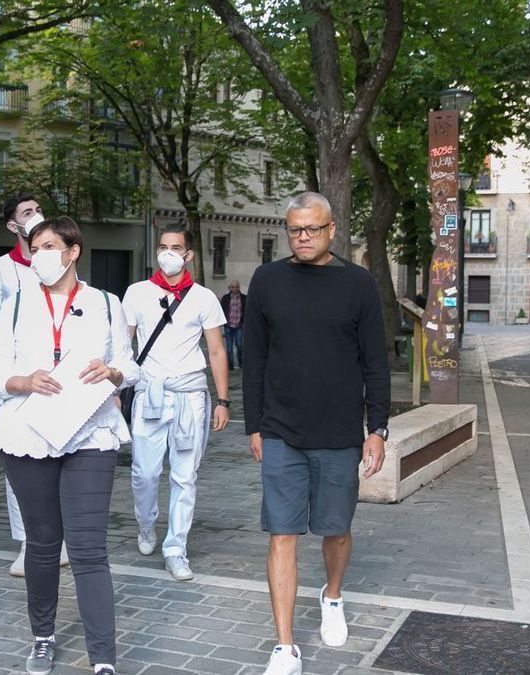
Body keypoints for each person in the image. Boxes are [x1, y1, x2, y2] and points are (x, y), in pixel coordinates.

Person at [0, 216, 138, 675]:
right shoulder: (14, 305)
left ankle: (104, 659)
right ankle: (43, 637)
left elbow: (130, 366)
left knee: (89, 550)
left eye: (50, 245)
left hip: (91, 434)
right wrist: (23, 380)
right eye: (35, 247)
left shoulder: (106, 303)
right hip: (29, 434)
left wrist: (113, 374)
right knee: (43, 544)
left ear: (73, 251)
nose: (40, 254)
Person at [242, 192, 389, 675]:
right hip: (282, 429)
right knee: (282, 533)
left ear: (331, 230)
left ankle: (332, 596)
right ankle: (284, 646)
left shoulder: (358, 284)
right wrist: (255, 424)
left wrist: (378, 427)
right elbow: (255, 358)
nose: (301, 237)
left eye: (311, 229)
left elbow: (375, 362)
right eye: (294, 229)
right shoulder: (267, 280)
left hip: (340, 431)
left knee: (336, 529)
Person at [123, 226, 230, 581]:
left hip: (189, 396)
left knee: (185, 477)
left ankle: (176, 549)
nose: (168, 253)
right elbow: (125, 348)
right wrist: (113, 389)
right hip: (149, 394)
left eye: (176, 248)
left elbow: (216, 350)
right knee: (144, 473)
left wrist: (223, 399)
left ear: (189, 256)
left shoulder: (203, 298)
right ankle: (146, 524)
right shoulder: (137, 293)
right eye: (163, 246)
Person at [0, 192, 69, 576]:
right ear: (13, 225)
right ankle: (28, 541)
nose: (36, 215)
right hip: (17, 383)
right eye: (26, 212)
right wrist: (7, 379)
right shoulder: (2, 269)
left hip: (55, 381)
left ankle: (59, 537)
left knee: (59, 457)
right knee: (18, 463)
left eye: (38, 209)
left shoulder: (58, 260)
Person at [219, 280, 246, 369]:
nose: (235, 288)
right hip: (228, 326)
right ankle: (230, 365)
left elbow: (247, 312)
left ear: (239, 288)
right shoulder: (226, 298)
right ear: (230, 288)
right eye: (233, 287)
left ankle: (241, 362)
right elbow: (221, 310)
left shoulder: (244, 298)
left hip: (239, 325)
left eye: (236, 287)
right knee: (229, 347)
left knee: (239, 345)